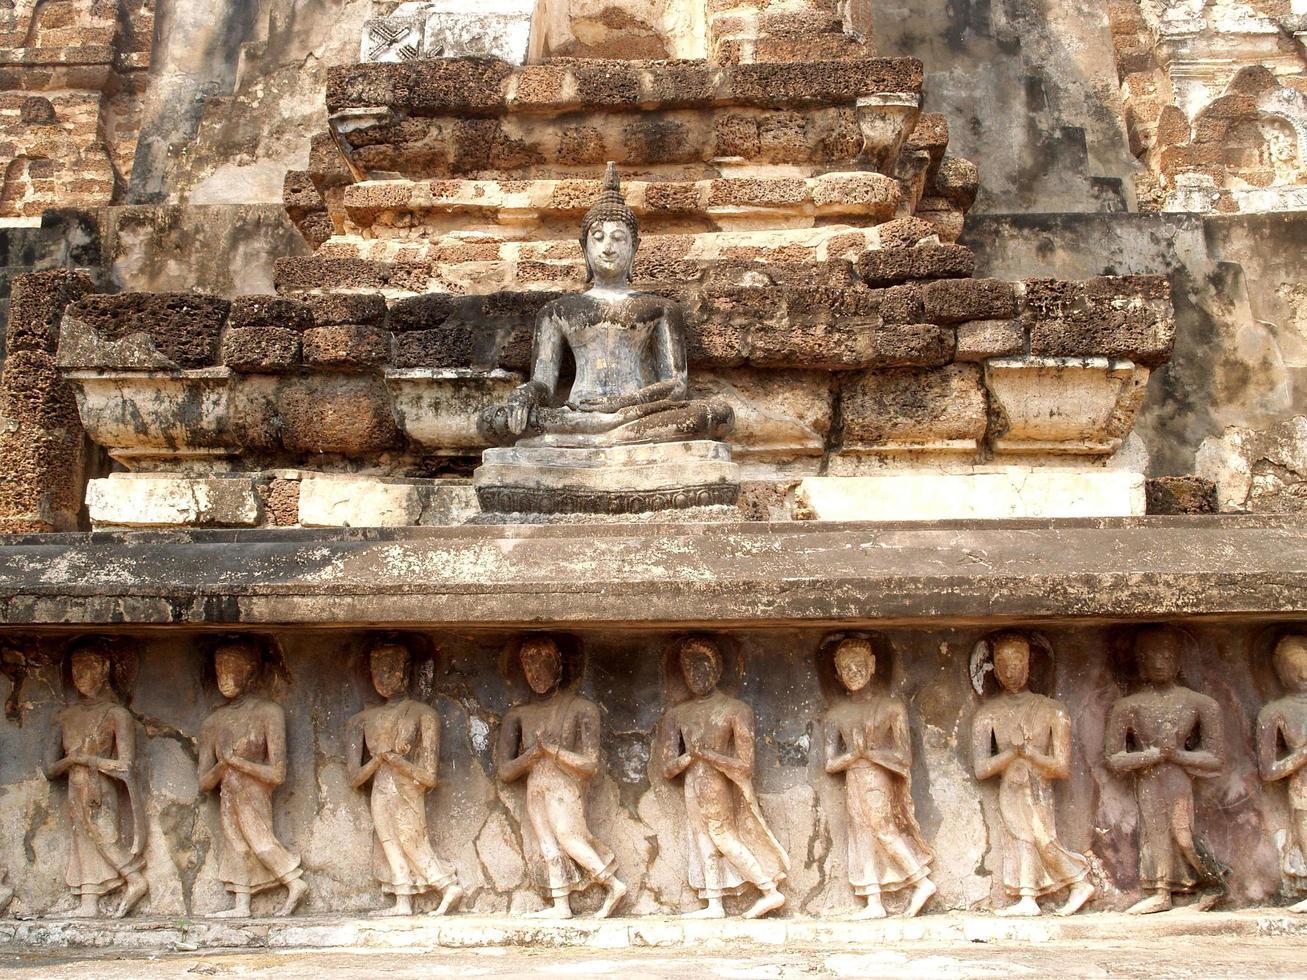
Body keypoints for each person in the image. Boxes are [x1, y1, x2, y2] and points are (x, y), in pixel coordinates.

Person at [480, 162, 732, 449]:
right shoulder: (558, 310)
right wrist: (524, 396)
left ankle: (602, 433)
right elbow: (545, 385)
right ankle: (605, 435)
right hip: (576, 413)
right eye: (598, 238)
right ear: (584, 248)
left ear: (634, 247)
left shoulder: (660, 308)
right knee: (493, 420)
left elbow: (675, 386)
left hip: (633, 414)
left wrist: (619, 405)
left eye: (618, 238)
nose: (608, 247)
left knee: (713, 415)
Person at [658, 637, 788, 919]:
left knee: (723, 836)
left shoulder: (735, 710)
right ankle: (714, 903)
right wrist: (690, 757)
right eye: (689, 669)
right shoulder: (677, 714)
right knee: (702, 839)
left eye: (703, 667)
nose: (696, 675)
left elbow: (745, 766)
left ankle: (768, 890)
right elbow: (667, 769)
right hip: (693, 782)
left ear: (717, 670)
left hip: (717, 783)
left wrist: (709, 755)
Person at [496, 637, 626, 918]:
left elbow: (589, 764)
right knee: (546, 843)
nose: (536, 674)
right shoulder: (518, 715)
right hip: (536, 785)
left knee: (569, 837)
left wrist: (553, 751)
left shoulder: (581, 709)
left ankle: (612, 884)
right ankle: (561, 904)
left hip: (564, 785)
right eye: (529, 667)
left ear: (559, 668)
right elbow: (505, 771)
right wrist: (531, 756)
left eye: (544, 665)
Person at [1106, 626, 1227, 914]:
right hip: (1149, 780)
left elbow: (1216, 759)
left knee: (1183, 834)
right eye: (1151, 655)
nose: (1160, 661)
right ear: (1140, 660)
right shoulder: (1128, 706)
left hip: (1178, 780)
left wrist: (1178, 755)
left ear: (1178, 659)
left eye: (1167, 654)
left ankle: (1217, 880)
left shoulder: (1201, 704)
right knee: (1154, 833)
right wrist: (1153, 755)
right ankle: (1161, 892)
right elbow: (1114, 759)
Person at [970, 632, 1093, 916]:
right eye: (1003, 664)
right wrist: (1012, 753)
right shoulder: (988, 714)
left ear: (1029, 665)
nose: (1011, 671)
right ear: (994, 669)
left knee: (1043, 839)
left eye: (1018, 663)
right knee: (1020, 839)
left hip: (1038, 786)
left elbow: (1061, 767)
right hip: (1010, 787)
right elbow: (981, 769)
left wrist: (1028, 752)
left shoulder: (1053, 710)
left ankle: (1079, 882)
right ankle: (1028, 897)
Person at [347, 639, 462, 916]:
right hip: (380, 789)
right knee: (388, 842)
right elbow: (354, 779)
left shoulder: (424, 714)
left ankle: (446, 886)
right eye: (377, 670)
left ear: (406, 671)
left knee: (412, 841)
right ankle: (403, 900)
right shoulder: (362, 720)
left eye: (390, 669)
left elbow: (430, 777)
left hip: (407, 790)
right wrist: (378, 759)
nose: (383, 677)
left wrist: (396, 761)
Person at [824, 637, 936, 918]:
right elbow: (831, 763)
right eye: (846, 668)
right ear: (837, 674)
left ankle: (921, 881)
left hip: (877, 780)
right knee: (860, 833)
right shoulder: (836, 714)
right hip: (855, 779)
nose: (853, 672)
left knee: (883, 829)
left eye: (859, 665)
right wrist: (853, 756)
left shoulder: (890, 707)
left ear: (872, 665)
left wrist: (870, 755)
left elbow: (904, 758)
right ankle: (873, 900)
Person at [197, 637, 307, 917]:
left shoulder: (268, 713)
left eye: (231, 667)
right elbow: (205, 782)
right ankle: (242, 904)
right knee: (236, 845)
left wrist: (238, 763)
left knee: (260, 841)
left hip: (253, 791)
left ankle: (293, 882)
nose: (224, 676)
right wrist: (225, 766)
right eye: (219, 668)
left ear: (248, 671)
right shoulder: (213, 722)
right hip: (228, 792)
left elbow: (277, 774)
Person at [44, 638, 148, 918]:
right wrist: (71, 760)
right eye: (76, 668)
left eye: (88, 667)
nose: (80, 675)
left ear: (104, 669)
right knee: (82, 841)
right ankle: (88, 903)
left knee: (105, 836)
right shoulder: (65, 716)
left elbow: (126, 766)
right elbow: (49, 769)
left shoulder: (116, 714)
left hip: (99, 787)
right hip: (74, 786)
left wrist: (88, 760)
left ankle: (135, 878)